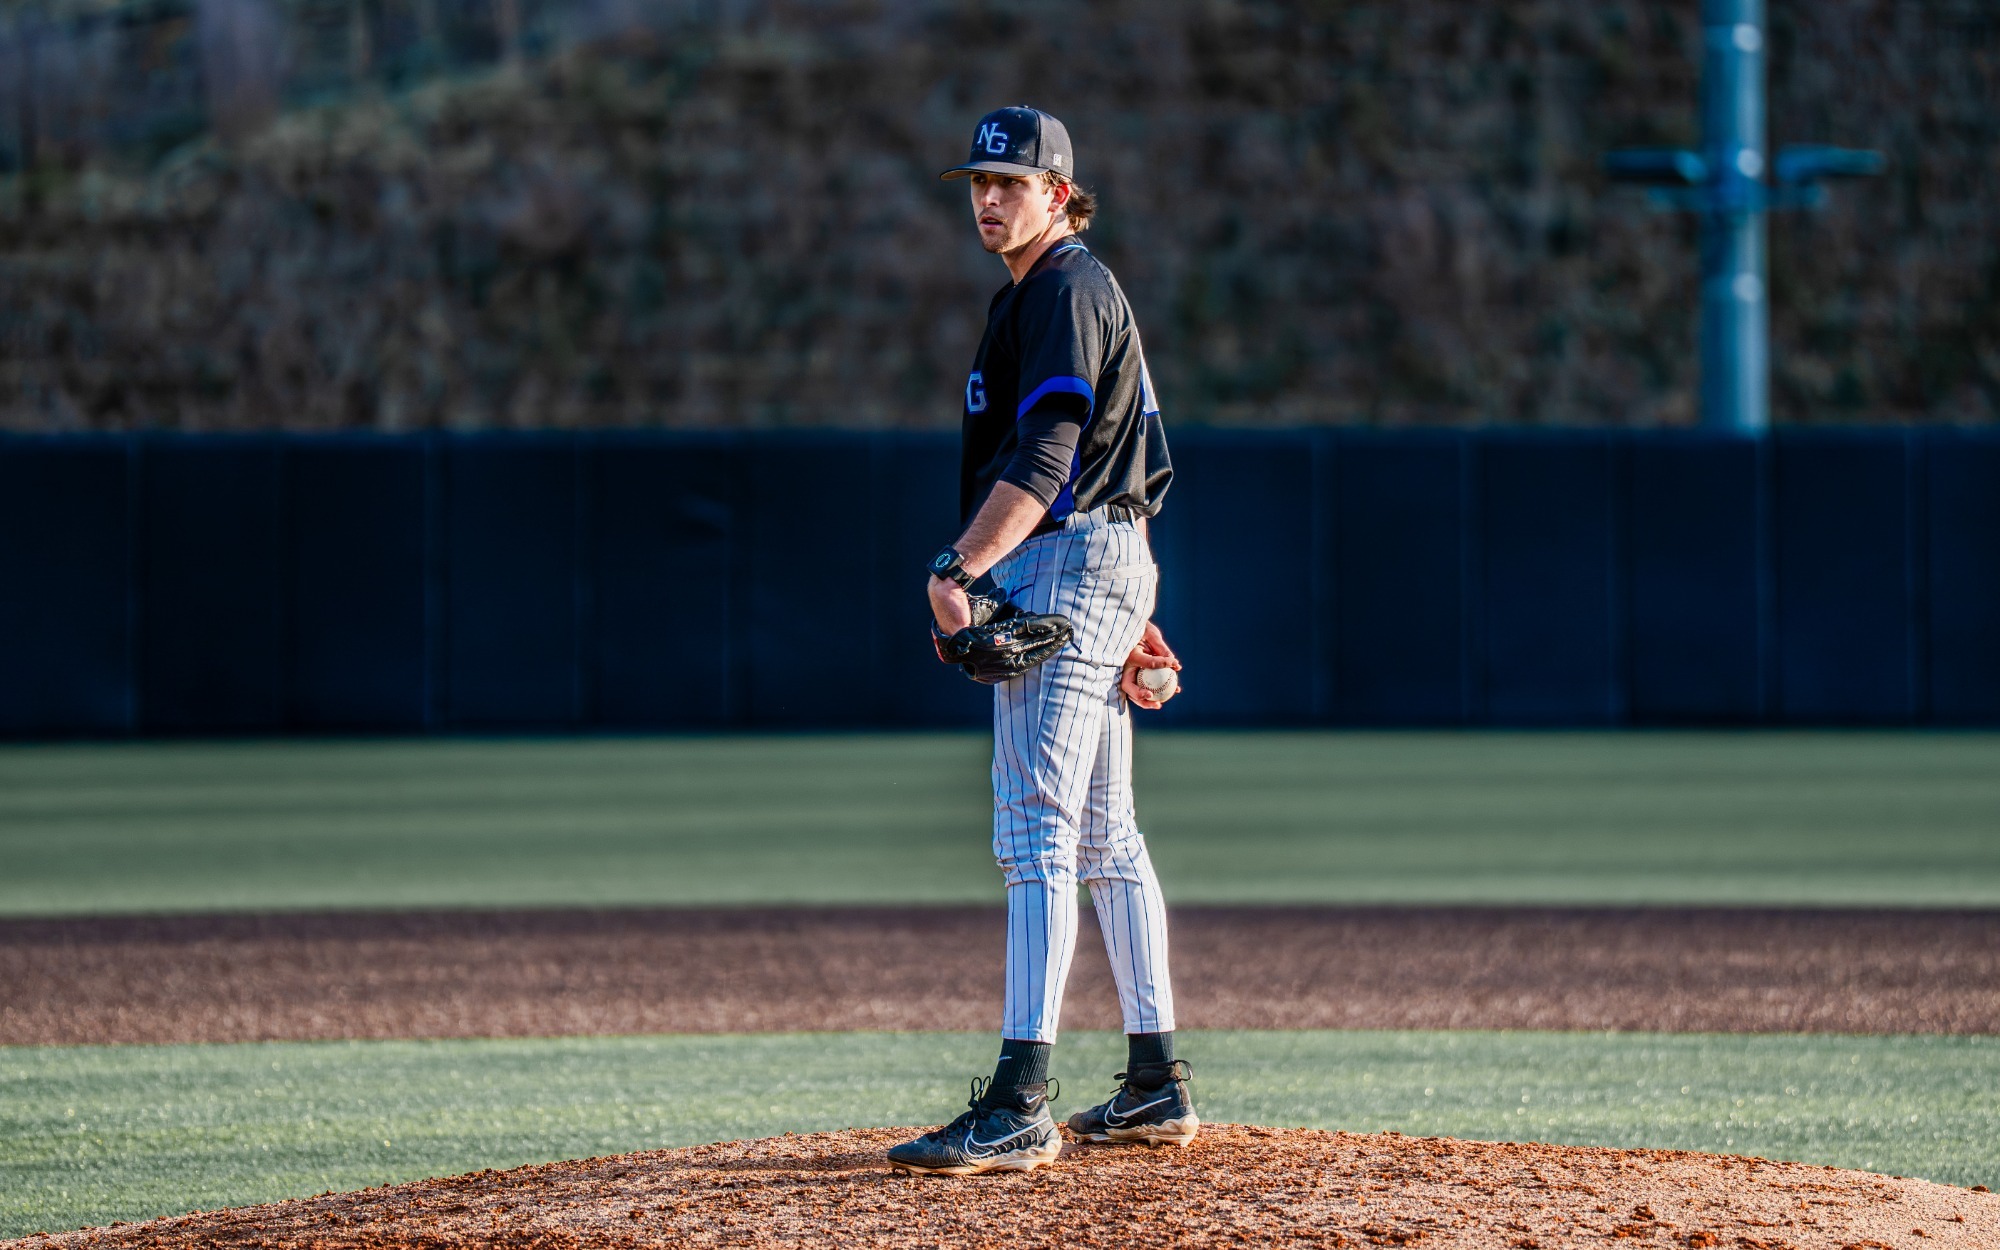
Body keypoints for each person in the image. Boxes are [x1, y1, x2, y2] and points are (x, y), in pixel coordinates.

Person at [886, 106, 1196, 1176]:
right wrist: (1127, 598)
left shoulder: (1063, 286)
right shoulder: (1046, 292)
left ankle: (1018, 1100)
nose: (986, 198)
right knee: (1103, 832)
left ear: (1059, 193)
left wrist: (959, 568)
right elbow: (1119, 464)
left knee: (1035, 825)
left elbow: (1055, 451)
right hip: (1094, 558)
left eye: (1010, 182)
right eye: (977, 179)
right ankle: (1154, 1080)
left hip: (1066, 555)